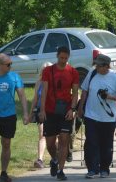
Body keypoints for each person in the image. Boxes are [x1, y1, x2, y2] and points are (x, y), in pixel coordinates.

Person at [77, 54, 116, 178]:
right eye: (96, 65)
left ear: (106, 66)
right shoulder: (92, 74)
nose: (97, 67)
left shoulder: (114, 78)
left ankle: (104, 168)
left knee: (106, 144)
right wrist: (80, 107)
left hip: (108, 118)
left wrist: (109, 97)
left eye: (99, 65)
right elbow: (84, 91)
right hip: (91, 115)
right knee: (91, 143)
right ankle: (92, 169)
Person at [0, 53, 29, 182]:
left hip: (9, 114)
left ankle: (3, 172)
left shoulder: (15, 77)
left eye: (11, 64)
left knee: (6, 143)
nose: (10, 66)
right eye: (8, 64)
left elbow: (22, 96)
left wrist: (25, 113)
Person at [39, 46, 79, 181]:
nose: (63, 60)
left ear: (68, 58)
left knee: (63, 139)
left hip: (66, 111)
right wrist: (42, 109)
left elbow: (75, 93)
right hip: (50, 110)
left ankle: (61, 170)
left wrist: (72, 109)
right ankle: (54, 159)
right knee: (50, 143)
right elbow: (44, 91)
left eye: (66, 58)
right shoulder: (47, 71)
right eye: (61, 58)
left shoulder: (73, 72)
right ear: (57, 56)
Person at [30, 62, 53, 169]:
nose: (45, 71)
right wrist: (30, 113)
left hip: (53, 111)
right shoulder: (39, 82)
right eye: (44, 69)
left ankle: (55, 157)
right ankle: (40, 159)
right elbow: (35, 99)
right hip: (40, 111)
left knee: (53, 136)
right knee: (42, 134)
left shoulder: (55, 81)